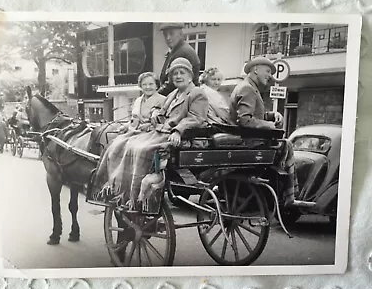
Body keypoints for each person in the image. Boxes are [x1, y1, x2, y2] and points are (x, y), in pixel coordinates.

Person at [93, 57, 208, 208]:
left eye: (182, 73)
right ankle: (120, 187)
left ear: (190, 75)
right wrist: (155, 115)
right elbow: (162, 113)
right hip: (161, 132)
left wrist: (178, 131)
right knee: (123, 142)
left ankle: (138, 192)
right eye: (175, 74)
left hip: (181, 137)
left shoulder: (197, 93)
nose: (178, 76)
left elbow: (196, 118)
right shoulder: (174, 94)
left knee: (141, 149)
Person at [229, 56, 297, 206]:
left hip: (249, 139)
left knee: (285, 144)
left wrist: (272, 116)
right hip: (249, 143)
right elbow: (245, 121)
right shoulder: (247, 89)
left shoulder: (249, 87)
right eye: (267, 71)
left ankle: (284, 192)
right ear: (255, 69)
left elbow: (253, 116)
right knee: (287, 145)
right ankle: (288, 195)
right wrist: (269, 125)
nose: (269, 75)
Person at [158, 23, 201, 96]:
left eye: (171, 34)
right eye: (165, 34)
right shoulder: (175, 51)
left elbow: (172, 83)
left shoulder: (183, 52)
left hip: (185, 98)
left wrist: (156, 96)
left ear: (180, 34)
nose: (168, 38)